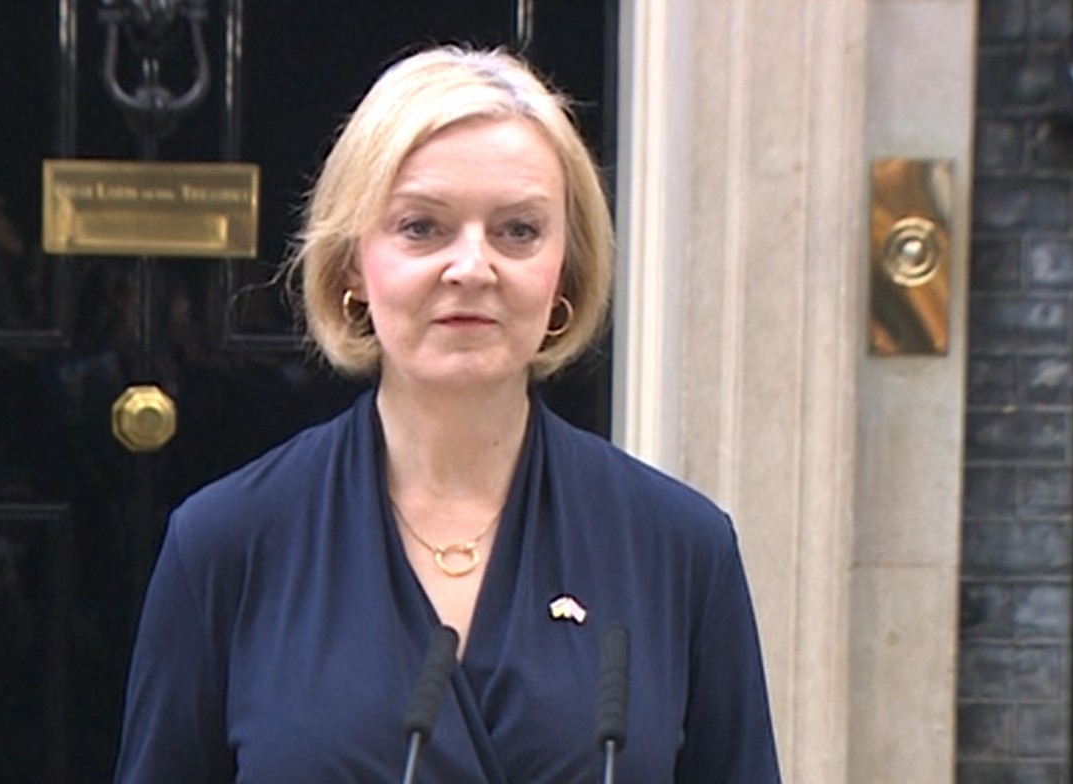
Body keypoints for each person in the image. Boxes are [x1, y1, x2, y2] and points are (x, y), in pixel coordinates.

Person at [113, 45, 781, 783]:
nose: (471, 267)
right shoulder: (227, 545)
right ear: (351, 269)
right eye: (422, 227)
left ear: (568, 269)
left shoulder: (680, 548)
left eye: (518, 230)